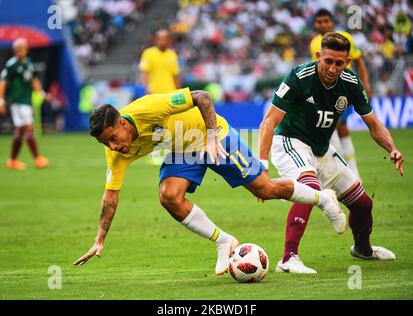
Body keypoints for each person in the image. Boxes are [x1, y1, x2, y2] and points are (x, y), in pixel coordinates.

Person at [73, 87, 346, 274]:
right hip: (183, 149)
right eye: (105, 143)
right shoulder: (115, 154)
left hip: (215, 136)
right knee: (169, 196)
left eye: (112, 138)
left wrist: (213, 136)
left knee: (265, 188)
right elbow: (110, 195)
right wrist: (99, 238)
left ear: (122, 123)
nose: (112, 146)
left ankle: (323, 198)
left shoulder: (148, 108)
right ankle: (224, 241)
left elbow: (202, 96)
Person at [259, 32, 403, 274]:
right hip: (290, 142)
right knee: (309, 186)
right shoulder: (299, 77)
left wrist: (392, 148)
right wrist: (262, 165)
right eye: (328, 61)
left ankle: (363, 249)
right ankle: (288, 259)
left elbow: (373, 123)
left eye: (339, 63)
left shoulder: (351, 83)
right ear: (318, 57)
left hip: (322, 149)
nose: (333, 68)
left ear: (346, 62)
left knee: (363, 204)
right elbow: (268, 122)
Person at [310, 8, 372, 180]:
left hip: (344, 90)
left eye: (326, 21)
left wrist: (365, 84)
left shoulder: (345, 38)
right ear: (315, 24)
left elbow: (359, 60)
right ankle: (346, 173)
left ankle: (350, 174)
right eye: (319, 21)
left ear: (332, 22)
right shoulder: (314, 42)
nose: (323, 24)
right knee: (334, 128)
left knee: (337, 126)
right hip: (324, 93)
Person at [0, 38, 49, 170]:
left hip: (26, 101)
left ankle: (12, 160)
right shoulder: (11, 65)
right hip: (17, 101)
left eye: (24, 48)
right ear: (15, 50)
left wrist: (43, 94)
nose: (22, 51)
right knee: (28, 127)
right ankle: (37, 158)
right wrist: (1, 101)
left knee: (20, 132)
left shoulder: (28, 63)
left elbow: (34, 80)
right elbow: (3, 83)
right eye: (20, 48)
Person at [139, 29, 181, 165]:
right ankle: (155, 153)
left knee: (171, 124)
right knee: (157, 124)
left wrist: (178, 91)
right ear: (156, 40)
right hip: (155, 94)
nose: (163, 41)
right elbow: (144, 73)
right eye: (160, 38)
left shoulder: (172, 54)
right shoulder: (149, 53)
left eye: (166, 38)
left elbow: (175, 75)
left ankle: (169, 152)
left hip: (170, 95)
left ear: (169, 40)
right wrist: (147, 87)